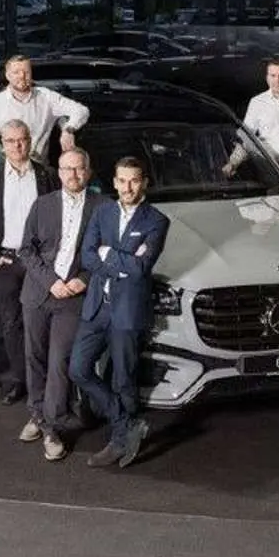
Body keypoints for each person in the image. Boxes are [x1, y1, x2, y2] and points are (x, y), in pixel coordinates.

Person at [69, 156, 170, 469]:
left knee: (123, 379)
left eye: (134, 180)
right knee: (78, 369)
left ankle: (118, 440)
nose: (127, 187)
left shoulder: (157, 221)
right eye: (122, 180)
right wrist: (122, 261)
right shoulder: (102, 212)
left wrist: (108, 253)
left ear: (144, 183)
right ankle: (127, 424)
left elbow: (142, 268)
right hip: (97, 307)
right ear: (114, 182)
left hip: (128, 311)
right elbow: (87, 257)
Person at [18, 148, 109, 461]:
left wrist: (84, 278)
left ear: (88, 171)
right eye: (67, 169)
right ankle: (37, 413)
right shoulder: (42, 205)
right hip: (38, 293)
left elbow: (108, 253)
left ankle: (52, 427)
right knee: (35, 357)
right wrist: (50, 282)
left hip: (73, 296)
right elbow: (26, 250)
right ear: (58, 172)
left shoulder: (103, 207)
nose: (73, 174)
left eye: (79, 168)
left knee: (60, 361)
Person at [0, 120, 58, 401]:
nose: (17, 146)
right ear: (2, 145)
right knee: (11, 323)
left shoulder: (47, 175)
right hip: (7, 262)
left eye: (22, 139)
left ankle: (43, 379)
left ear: (30, 141)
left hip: (40, 262)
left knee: (41, 321)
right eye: (10, 141)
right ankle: (20, 379)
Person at [0, 55, 89, 164]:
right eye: (16, 72)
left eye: (26, 72)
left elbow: (81, 110)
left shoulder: (46, 97)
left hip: (38, 167)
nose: (22, 76)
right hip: (5, 169)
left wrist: (68, 129)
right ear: (7, 76)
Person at [223, 59, 279, 174]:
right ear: (267, 78)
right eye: (273, 75)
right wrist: (233, 163)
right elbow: (246, 138)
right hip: (267, 165)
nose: (277, 80)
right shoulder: (257, 102)